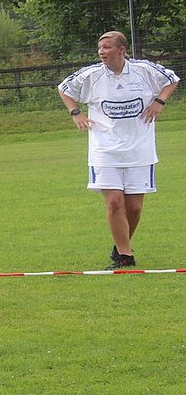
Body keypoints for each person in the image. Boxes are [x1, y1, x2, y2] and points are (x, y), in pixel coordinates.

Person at [57, 31, 178, 269]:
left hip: (140, 150)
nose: (101, 52)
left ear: (121, 50)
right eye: (99, 47)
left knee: (134, 207)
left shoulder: (144, 70)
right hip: (104, 151)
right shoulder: (91, 75)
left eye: (107, 47)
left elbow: (172, 79)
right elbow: (64, 88)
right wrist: (75, 113)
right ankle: (125, 256)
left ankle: (120, 245)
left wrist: (159, 102)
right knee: (114, 202)